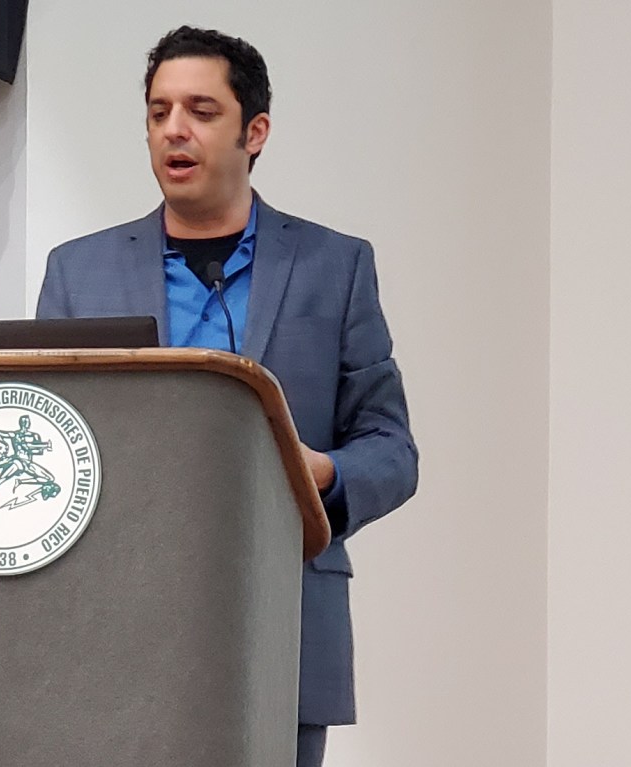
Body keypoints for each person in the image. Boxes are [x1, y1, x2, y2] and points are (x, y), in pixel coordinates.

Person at [36, 25, 418, 767]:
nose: (174, 129)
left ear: (256, 130)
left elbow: (393, 448)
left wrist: (323, 474)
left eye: (201, 110)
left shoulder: (334, 267)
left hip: (284, 620)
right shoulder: (78, 272)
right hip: (113, 629)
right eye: (158, 111)